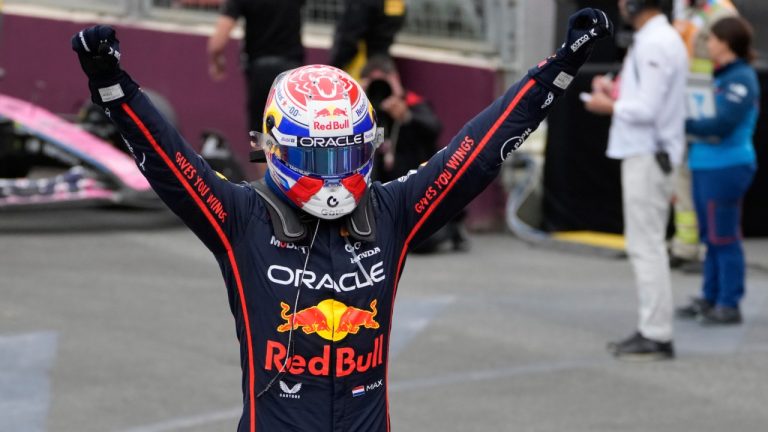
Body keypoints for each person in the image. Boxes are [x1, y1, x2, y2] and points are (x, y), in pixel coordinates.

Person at [71, 8, 612, 431]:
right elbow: (172, 162)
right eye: (317, 157)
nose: (333, 174)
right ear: (276, 147)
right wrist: (114, 85)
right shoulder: (241, 217)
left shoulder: (393, 209)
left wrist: (556, 70)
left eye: (346, 154)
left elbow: (478, 149)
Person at [585, 0, 687, 360]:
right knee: (648, 244)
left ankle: (656, 332)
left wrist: (609, 105)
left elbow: (648, 108)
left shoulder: (655, 42)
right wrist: (615, 93)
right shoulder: (657, 39)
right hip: (649, 152)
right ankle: (654, 330)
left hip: (648, 152)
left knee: (646, 246)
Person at [675, 16, 759, 325]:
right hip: (706, 164)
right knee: (710, 235)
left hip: (727, 166)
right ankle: (711, 297)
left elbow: (722, 123)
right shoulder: (720, 76)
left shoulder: (741, 78)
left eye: (710, 40)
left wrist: (680, 123)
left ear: (725, 43)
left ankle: (729, 302)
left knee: (724, 236)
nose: (706, 45)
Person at [360, 55, 468, 252]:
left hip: (418, 185)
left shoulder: (413, 103)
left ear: (395, 79)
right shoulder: (364, 112)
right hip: (385, 187)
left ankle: (449, 228)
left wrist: (407, 117)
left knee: (422, 244)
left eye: (384, 81)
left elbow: (435, 127)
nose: (380, 87)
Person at [669, 0, 738, 269]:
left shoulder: (720, 12)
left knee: (702, 178)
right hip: (688, 97)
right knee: (682, 175)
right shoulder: (691, 12)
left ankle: (704, 247)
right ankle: (685, 245)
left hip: (709, 98)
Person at [207, 0, 304, 133]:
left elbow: (217, 43)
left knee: (259, 135)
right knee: (295, 129)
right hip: (292, 72)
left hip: (260, 71)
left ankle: (261, 154)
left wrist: (217, 63)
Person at [329, 0, 406, 77]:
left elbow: (348, 37)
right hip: (383, 62)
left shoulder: (362, 3)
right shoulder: (396, 2)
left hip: (358, 64)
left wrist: (334, 68)